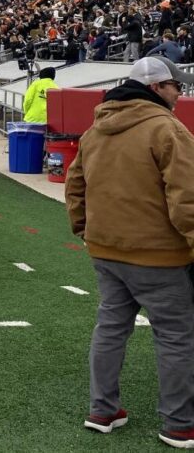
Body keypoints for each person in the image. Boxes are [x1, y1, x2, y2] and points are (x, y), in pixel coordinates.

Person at [66, 56, 194, 447]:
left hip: (106, 251)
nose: (180, 93)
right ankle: (179, 424)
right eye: (176, 86)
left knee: (111, 328)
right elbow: (187, 197)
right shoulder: (167, 128)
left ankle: (102, 410)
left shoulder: (96, 128)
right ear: (156, 87)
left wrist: (86, 231)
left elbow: (75, 186)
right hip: (159, 255)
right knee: (175, 336)